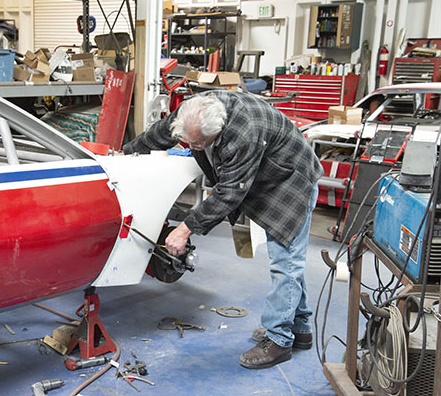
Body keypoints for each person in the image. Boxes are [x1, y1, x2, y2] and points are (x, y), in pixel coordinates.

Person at [122, 90, 324, 369]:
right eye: (188, 141)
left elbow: (229, 193)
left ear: (218, 130)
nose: (193, 146)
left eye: (199, 143)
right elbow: (163, 132)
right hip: (270, 174)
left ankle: (279, 341)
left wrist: (185, 229)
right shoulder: (194, 111)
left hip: (291, 181)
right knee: (290, 263)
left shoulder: (242, 132)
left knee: (286, 263)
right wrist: (128, 152)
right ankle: (299, 331)